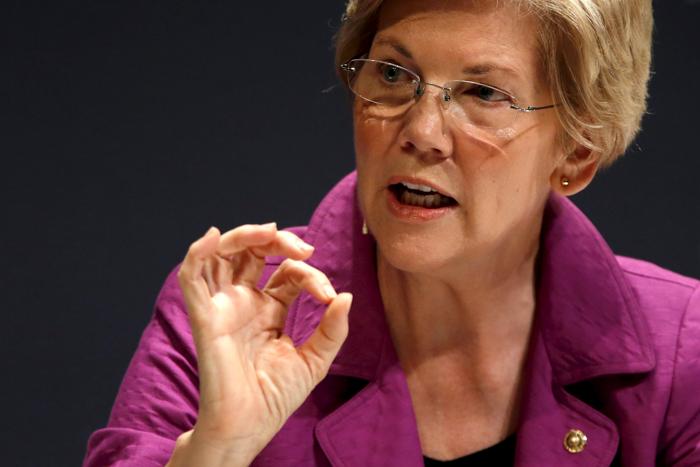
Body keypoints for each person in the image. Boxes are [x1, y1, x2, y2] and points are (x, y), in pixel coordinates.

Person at [83, 0, 700, 465]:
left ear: (577, 154)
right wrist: (219, 448)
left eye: (484, 93)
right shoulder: (233, 310)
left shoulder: (683, 352)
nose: (422, 131)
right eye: (394, 76)